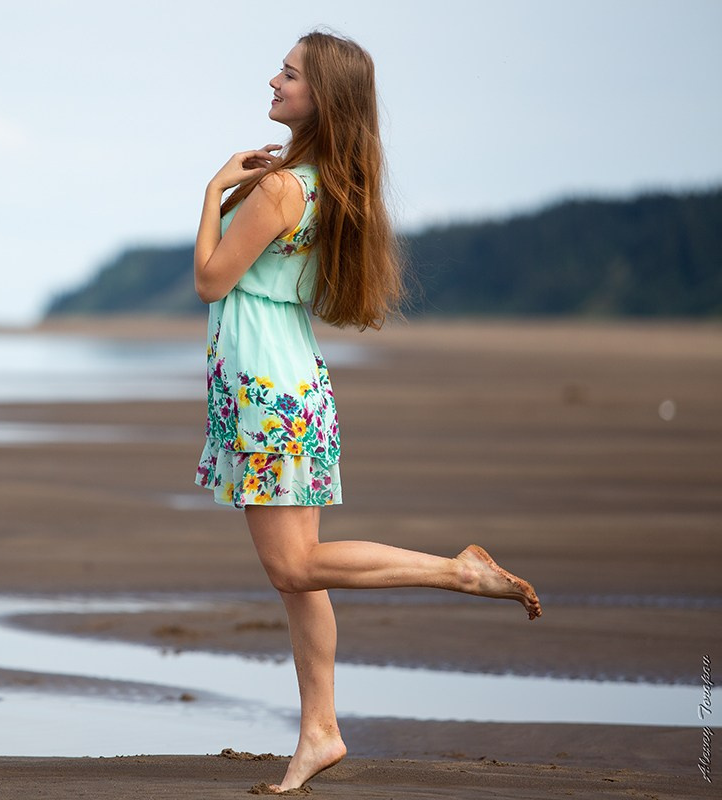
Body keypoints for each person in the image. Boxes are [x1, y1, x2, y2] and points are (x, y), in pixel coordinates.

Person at [192, 30, 542, 793]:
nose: (274, 81)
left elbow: (213, 281)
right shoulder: (317, 179)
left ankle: (457, 572)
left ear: (323, 95)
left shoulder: (283, 188)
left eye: (289, 74)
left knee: (292, 565)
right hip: (289, 381)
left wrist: (212, 191)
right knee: (299, 579)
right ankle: (320, 730)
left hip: (266, 391)